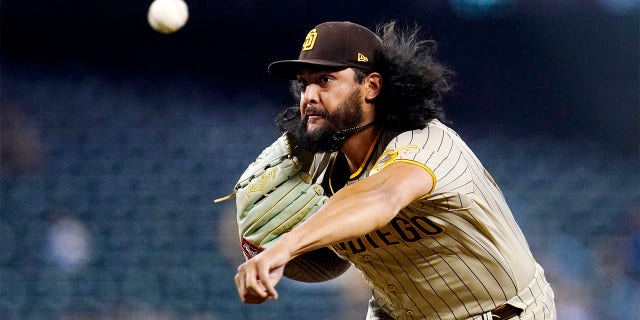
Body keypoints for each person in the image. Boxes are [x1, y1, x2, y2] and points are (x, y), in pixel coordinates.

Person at [234, 20, 557, 320]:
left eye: (326, 80)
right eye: (304, 83)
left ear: (371, 86)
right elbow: (253, 214)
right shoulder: (313, 156)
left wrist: (287, 245)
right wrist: (256, 243)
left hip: (499, 313)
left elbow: (380, 193)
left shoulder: (428, 142)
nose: (309, 96)